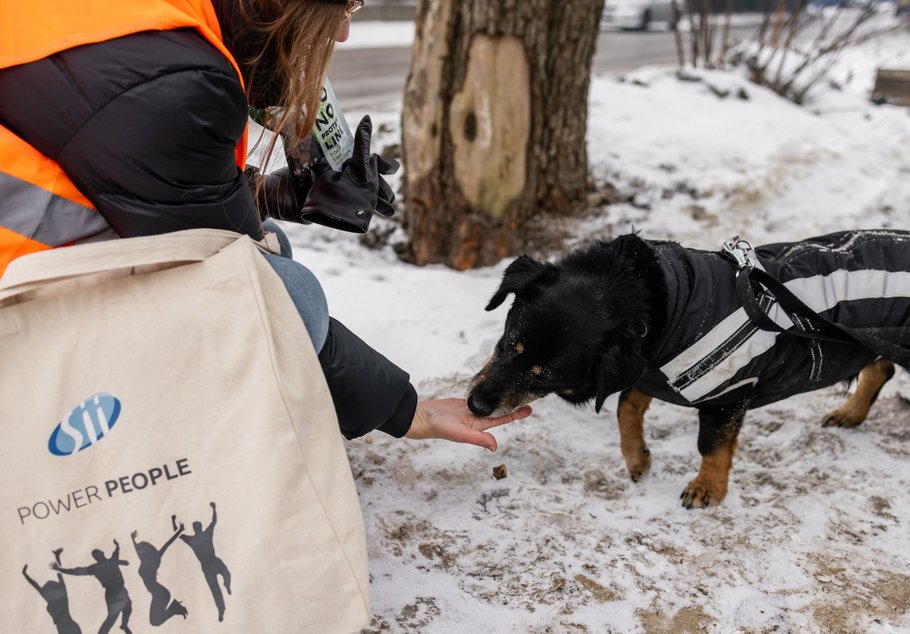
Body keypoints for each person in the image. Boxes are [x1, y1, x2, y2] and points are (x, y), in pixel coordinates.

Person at [0, 0, 530, 449]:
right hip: (16, 333)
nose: (343, 33)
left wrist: (276, 195)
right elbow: (247, 294)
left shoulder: (144, 28)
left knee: (271, 250)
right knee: (292, 291)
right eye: (345, 7)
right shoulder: (176, 80)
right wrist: (407, 411)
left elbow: (128, 180)